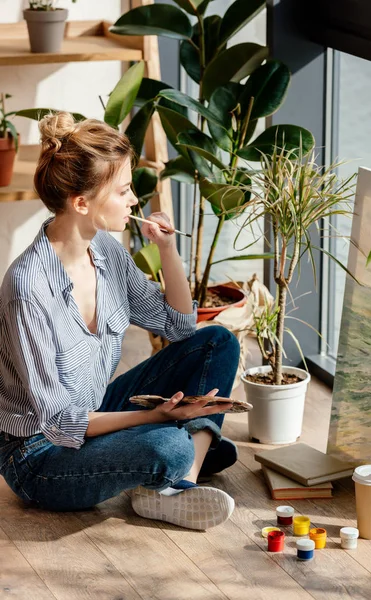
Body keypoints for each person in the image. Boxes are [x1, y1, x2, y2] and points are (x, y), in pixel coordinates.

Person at [0, 112, 240, 530]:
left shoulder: (107, 252)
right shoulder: (28, 289)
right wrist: (158, 417)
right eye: (125, 190)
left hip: (94, 414)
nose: (134, 201)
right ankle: (181, 460)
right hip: (39, 455)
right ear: (81, 202)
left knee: (216, 341)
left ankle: (179, 482)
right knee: (169, 444)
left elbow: (180, 327)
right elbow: (58, 423)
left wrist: (168, 250)